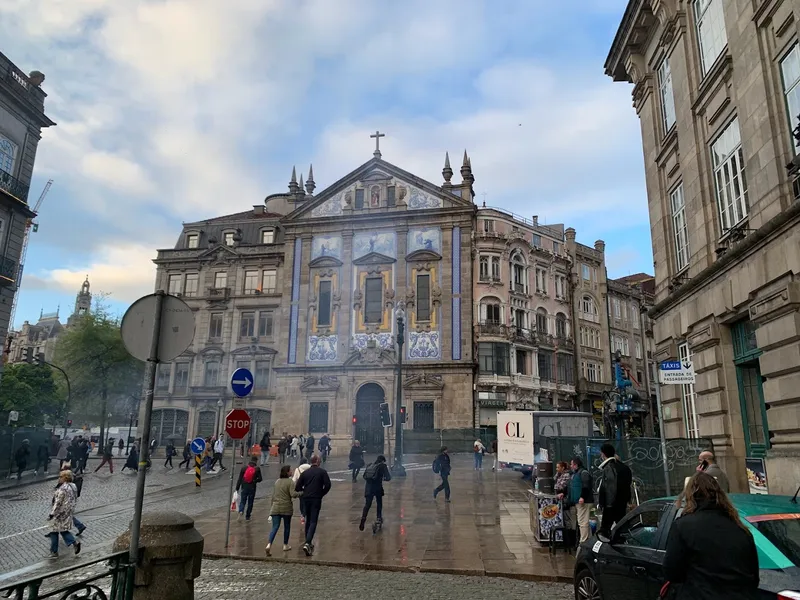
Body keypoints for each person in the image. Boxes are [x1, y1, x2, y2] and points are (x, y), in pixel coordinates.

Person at [663, 472, 759, 600]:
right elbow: (753, 576)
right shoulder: (739, 528)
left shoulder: (683, 526)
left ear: (690, 496)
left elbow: (672, 572)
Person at [295, 454, 332, 556]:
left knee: (308, 520)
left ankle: (308, 542)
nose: (320, 461)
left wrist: (305, 491)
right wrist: (321, 493)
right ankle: (307, 542)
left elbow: (297, 487)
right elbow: (328, 485)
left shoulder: (305, 473)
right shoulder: (322, 472)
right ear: (317, 461)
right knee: (313, 521)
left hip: (306, 498)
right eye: (319, 460)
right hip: (316, 498)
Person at [265, 465, 301, 556]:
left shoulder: (277, 482)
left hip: (275, 507)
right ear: (287, 472)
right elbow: (293, 494)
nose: (292, 471)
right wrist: (301, 493)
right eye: (290, 470)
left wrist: (271, 508)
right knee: (287, 526)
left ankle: (269, 544)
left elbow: (273, 496)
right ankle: (285, 545)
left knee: (275, 527)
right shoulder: (290, 482)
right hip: (286, 508)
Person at [597, 442, 631, 537]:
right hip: (622, 503)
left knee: (605, 532)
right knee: (622, 527)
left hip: (611, 505)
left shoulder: (609, 468)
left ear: (603, 454)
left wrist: (605, 505)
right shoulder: (624, 468)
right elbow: (628, 485)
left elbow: (609, 489)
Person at [47, 470, 81, 558]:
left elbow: (58, 502)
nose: (59, 478)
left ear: (65, 478)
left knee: (53, 530)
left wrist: (52, 513)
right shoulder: (73, 486)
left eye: (60, 477)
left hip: (60, 513)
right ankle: (74, 543)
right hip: (68, 511)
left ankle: (54, 551)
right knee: (63, 530)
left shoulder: (63, 488)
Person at [359, 455, 391, 531]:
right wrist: (383, 478)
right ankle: (378, 518)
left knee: (367, 505)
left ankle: (363, 520)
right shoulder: (382, 466)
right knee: (379, 503)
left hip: (368, 488)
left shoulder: (370, 465)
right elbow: (388, 477)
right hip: (377, 488)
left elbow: (365, 476)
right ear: (383, 461)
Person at [567, 457, 594, 547]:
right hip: (581, 501)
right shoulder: (578, 473)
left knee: (582, 522)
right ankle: (589, 540)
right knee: (583, 521)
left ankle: (583, 542)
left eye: (571, 464)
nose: (570, 466)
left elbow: (586, 486)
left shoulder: (583, 473)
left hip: (584, 501)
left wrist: (582, 497)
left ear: (575, 465)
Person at [235, 455, 263, 521]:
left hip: (244, 486)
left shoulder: (244, 468)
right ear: (256, 461)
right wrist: (254, 480)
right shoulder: (257, 469)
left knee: (243, 500)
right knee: (250, 502)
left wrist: (237, 488)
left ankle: (241, 510)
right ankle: (248, 516)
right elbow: (260, 479)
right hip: (252, 487)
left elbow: (239, 479)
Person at [292, 457, 311, 525]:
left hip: (301, 489)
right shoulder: (311, 468)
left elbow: (294, 480)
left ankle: (303, 515)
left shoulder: (298, 469)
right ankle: (308, 514)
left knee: (302, 502)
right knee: (309, 502)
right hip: (309, 488)